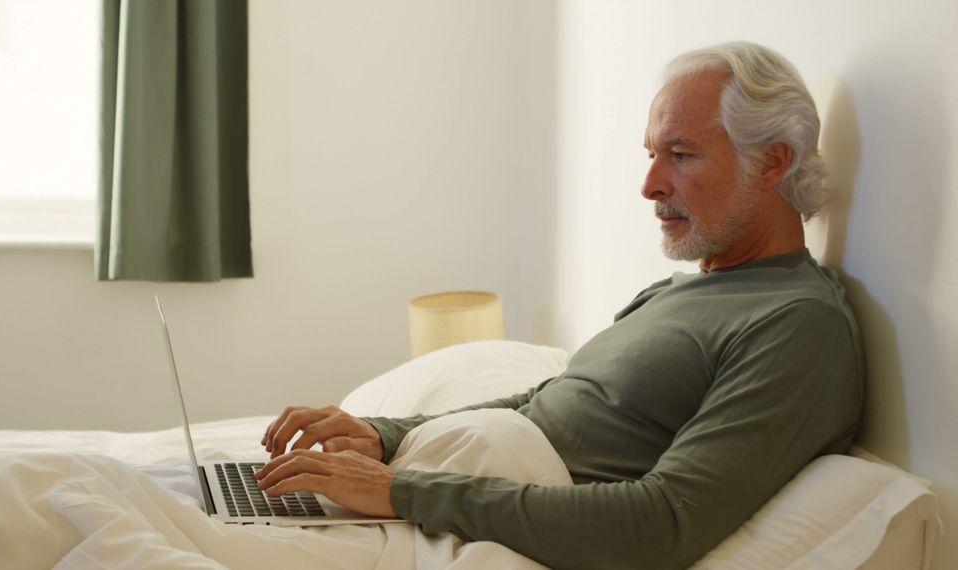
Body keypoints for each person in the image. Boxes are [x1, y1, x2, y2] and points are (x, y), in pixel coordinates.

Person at [255, 41, 863, 569]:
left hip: (470, 516)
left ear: (772, 161)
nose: (649, 184)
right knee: (195, 505)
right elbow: (546, 400)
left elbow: (662, 523)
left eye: (680, 154)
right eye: (650, 154)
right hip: (443, 488)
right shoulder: (682, 290)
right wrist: (380, 436)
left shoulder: (798, 324)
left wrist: (402, 491)